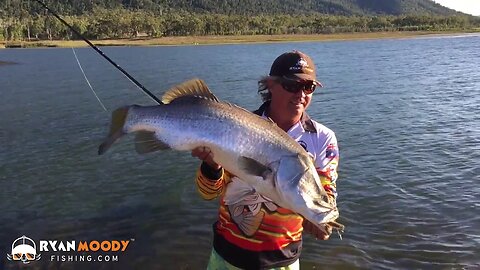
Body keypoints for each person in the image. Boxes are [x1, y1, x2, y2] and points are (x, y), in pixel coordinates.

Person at [192, 50, 340, 270]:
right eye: (292, 85)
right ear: (270, 85)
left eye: (308, 87)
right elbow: (208, 193)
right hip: (227, 256)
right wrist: (211, 166)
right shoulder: (236, 125)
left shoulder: (322, 139)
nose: (301, 94)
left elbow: (326, 193)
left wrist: (320, 219)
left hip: (282, 261)